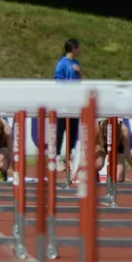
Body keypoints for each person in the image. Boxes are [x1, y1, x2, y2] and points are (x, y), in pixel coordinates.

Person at [52, 38, 82, 170]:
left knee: (73, 130)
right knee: (60, 130)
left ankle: (68, 156)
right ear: (73, 49)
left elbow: (80, 80)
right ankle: (56, 158)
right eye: (78, 48)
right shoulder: (62, 63)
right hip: (63, 102)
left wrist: (79, 71)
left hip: (74, 103)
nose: (80, 50)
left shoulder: (76, 62)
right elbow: (58, 82)